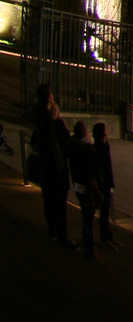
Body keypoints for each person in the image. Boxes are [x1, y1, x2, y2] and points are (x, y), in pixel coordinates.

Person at [30, 84, 73, 249]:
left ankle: (53, 232)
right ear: (49, 97)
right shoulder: (49, 120)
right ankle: (61, 234)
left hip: (46, 167)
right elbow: (56, 144)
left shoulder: (39, 116)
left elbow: (36, 142)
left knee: (49, 202)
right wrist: (59, 165)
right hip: (55, 168)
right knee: (59, 204)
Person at [67, 121, 101, 260]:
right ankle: (90, 249)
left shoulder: (72, 147)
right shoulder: (88, 150)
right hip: (87, 186)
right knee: (89, 218)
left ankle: (89, 245)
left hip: (78, 185)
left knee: (85, 216)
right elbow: (94, 171)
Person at [91, 123, 119, 249]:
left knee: (106, 212)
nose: (108, 131)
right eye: (106, 129)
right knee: (104, 213)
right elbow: (100, 170)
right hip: (104, 185)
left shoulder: (104, 145)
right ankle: (105, 238)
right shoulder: (99, 149)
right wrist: (101, 187)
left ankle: (109, 236)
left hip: (107, 182)